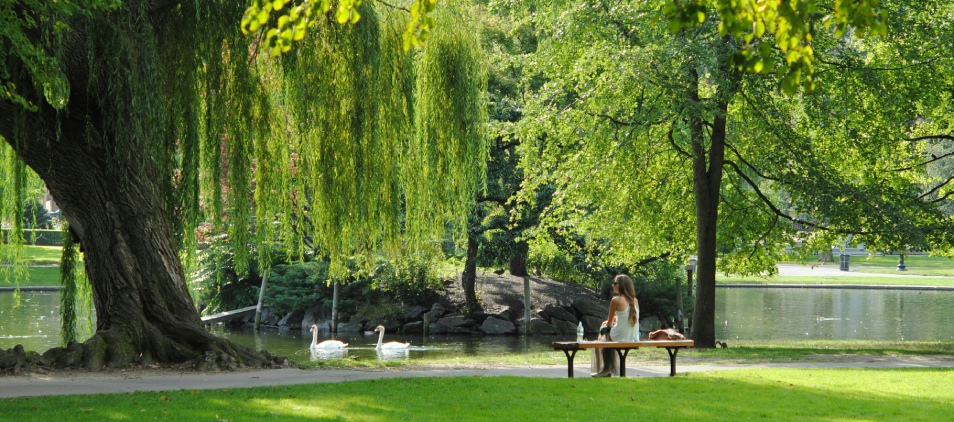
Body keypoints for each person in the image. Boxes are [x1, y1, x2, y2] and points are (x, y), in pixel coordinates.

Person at [592, 274, 640, 377]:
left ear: (621, 285)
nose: (613, 285)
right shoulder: (634, 300)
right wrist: (612, 321)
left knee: (603, 334)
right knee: (608, 333)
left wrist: (605, 325)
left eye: (615, 283)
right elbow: (626, 317)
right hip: (633, 337)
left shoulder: (616, 300)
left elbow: (609, 324)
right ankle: (610, 368)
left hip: (620, 336)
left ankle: (606, 368)